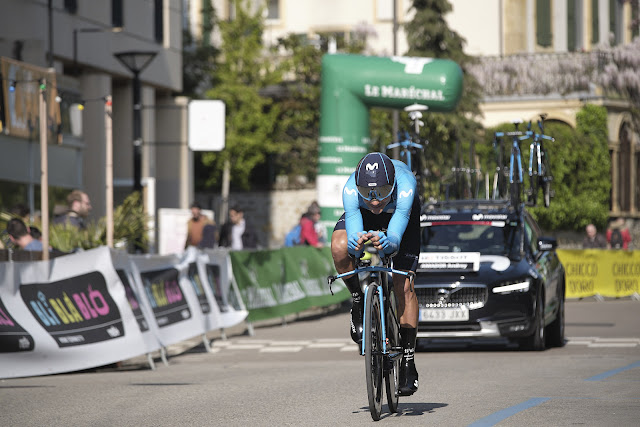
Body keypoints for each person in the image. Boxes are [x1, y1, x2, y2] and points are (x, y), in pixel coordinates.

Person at [331, 152, 421, 396]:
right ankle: (359, 301)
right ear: (358, 186)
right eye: (368, 192)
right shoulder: (351, 190)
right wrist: (355, 245)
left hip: (399, 215)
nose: (374, 200)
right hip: (365, 216)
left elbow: (394, 239)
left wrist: (388, 242)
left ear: (392, 184)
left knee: (404, 285)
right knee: (339, 247)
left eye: (382, 191)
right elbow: (352, 237)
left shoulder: (406, 186)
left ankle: (408, 361)